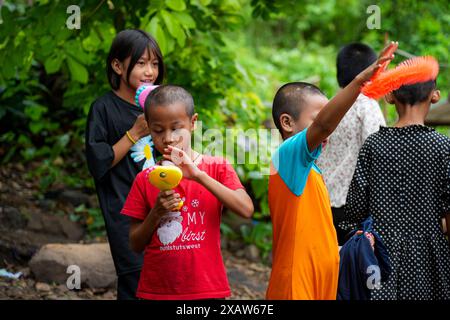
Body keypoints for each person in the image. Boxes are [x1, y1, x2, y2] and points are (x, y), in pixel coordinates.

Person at [266, 42, 397, 300]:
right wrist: (361, 81)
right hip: (295, 286)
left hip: (319, 286)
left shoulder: (311, 170)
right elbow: (325, 126)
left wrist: (347, 248)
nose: (329, 127)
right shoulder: (287, 157)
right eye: (318, 116)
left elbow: (314, 237)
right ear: (287, 122)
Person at [121, 84, 254, 300]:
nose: (168, 138)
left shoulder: (216, 167)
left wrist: (198, 175)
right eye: (157, 130)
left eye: (176, 128)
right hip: (158, 291)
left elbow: (246, 209)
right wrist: (156, 212)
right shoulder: (145, 179)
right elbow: (135, 244)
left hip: (207, 289)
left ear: (193, 124)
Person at [342, 77, 450, 299]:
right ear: (435, 95)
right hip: (429, 255)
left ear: (390, 96)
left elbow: (355, 208)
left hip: (379, 255)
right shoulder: (443, 147)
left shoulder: (373, 145)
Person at [85, 29, 164, 300]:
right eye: (141, 63)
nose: (149, 71)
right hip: (124, 211)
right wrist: (134, 133)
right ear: (117, 66)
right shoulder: (103, 109)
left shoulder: (158, 107)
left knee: (163, 281)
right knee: (135, 281)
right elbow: (98, 163)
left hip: (161, 206)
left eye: (154, 64)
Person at [316, 43, 386, 245]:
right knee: (354, 267)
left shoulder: (327, 106)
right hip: (353, 205)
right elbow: (379, 153)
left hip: (323, 201)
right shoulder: (367, 106)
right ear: (371, 73)